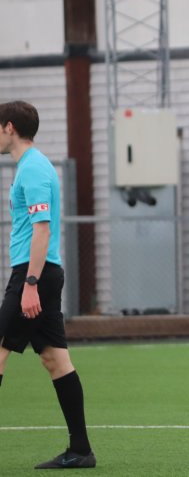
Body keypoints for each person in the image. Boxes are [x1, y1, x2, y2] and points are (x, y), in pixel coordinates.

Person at [0, 101, 96, 469]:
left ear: (9, 127)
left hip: (34, 274)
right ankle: (81, 450)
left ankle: (81, 449)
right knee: (55, 360)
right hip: (39, 274)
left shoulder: (34, 168)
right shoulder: (29, 166)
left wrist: (30, 284)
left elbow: (42, 229)